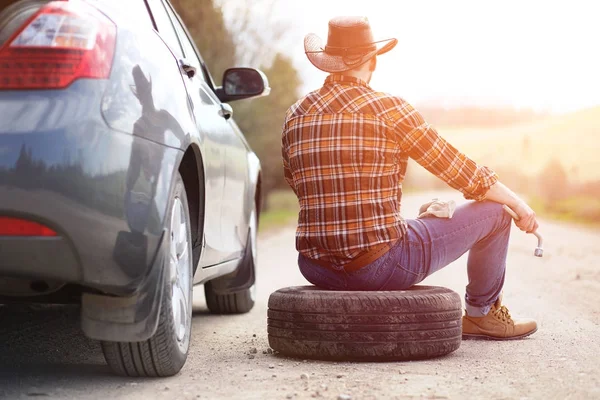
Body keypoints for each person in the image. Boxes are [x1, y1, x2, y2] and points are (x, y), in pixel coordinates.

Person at [281, 16, 538, 340]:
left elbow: (298, 184)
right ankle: (481, 314)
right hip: (377, 266)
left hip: (315, 267)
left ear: (330, 64)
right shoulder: (388, 109)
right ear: (372, 60)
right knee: (497, 212)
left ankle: (479, 311)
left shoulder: (295, 115)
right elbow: (458, 169)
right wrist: (518, 203)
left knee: (410, 222)